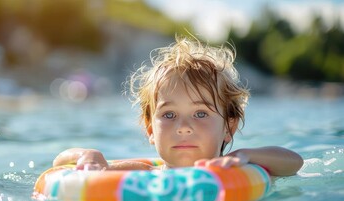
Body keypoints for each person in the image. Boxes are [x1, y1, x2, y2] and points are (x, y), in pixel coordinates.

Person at [53, 35, 303, 176]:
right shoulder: (143, 172)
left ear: (229, 126)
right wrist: (88, 155)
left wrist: (245, 155)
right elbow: (60, 163)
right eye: (169, 114)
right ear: (150, 129)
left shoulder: (239, 168)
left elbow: (294, 162)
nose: (183, 127)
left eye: (201, 113)